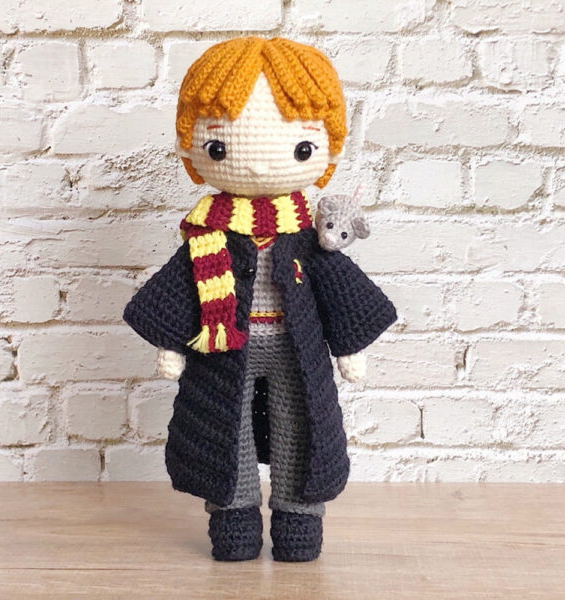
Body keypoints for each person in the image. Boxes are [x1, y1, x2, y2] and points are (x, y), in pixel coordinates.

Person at [123, 36, 397, 562]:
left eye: (300, 149)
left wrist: (349, 346)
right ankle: (234, 521)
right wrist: (171, 342)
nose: (256, 168)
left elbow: (338, 288)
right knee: (224, 434)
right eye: (220, 148)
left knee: (303, 429)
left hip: (297, 349)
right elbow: (182, 283)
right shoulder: (208, 235)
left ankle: (299, 521)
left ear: (327, 151)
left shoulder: (309, 234)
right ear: (193, 148)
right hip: (224, 348)